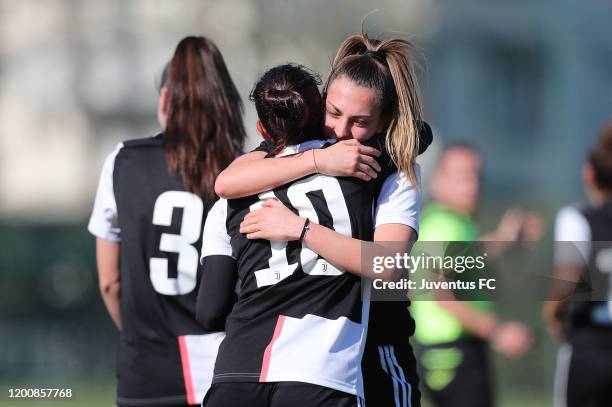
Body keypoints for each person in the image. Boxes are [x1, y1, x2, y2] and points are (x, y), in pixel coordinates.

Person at [212, 32, 431, 407]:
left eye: (360, 121)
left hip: (373, 345)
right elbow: (225, 182)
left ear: (384, 121)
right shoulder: (289, 154)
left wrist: (301, 230)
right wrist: (316, 161)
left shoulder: (389, 168)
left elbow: (387, 264)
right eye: (333, 113)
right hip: (298, 364)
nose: (342, 131)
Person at [87, 36, 246, 406]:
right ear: (226, 103)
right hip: (227, 365)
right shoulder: (247, 170)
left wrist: (142, 337)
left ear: (164, 99)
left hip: (147, 368)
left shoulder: (122, 162)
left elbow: (110, 283)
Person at [412, 144, 535, 407]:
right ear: (438, 182)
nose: (473, 185)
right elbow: (441, 295)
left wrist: (504, 240)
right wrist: (498, 331)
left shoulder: (449, 222)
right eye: (462, 177)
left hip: (447, 351)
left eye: (477, 176)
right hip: (452, 352)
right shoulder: (444, 226)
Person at [543, 123, 612, 407]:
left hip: (589, 345)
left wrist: (551, 313)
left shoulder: (577, 218)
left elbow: (569, 276)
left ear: (589, 173)